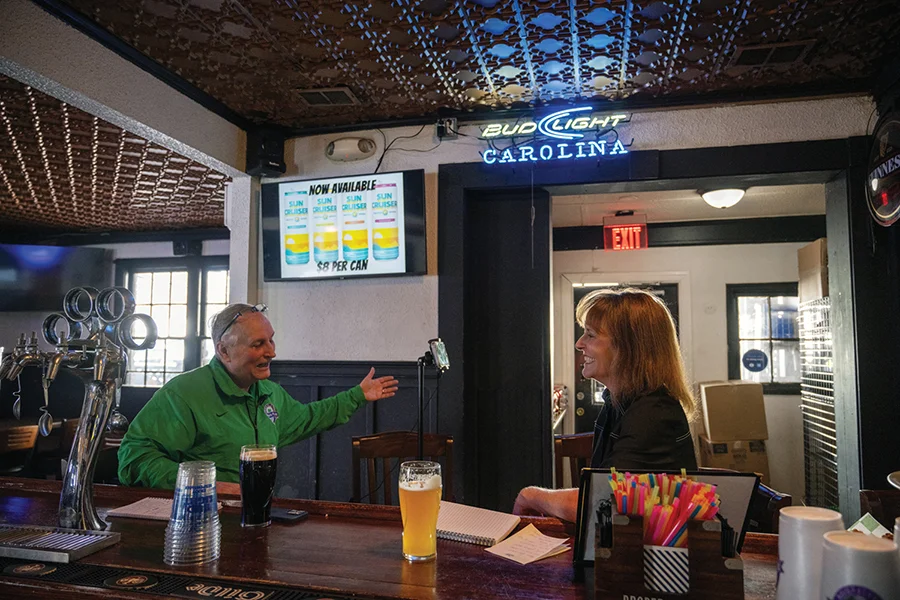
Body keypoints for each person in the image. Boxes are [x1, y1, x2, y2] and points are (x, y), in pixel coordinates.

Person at [118, 303, 399, 490]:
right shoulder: (184, 394)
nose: (272, 352)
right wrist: (203, 485)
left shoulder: (269, 393)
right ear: (223, 351)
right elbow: (133, 458)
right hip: (197, 525)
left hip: (256, 517)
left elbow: (307, 419)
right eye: (258, 344)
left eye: (271, 340)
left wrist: (357, 396)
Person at [513, 288, 697, 522]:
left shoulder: (652, 413)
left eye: (590, 335)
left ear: (628, 347)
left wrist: (531, 496)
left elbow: (602, 503)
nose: (579, 343)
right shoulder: (621, 401)